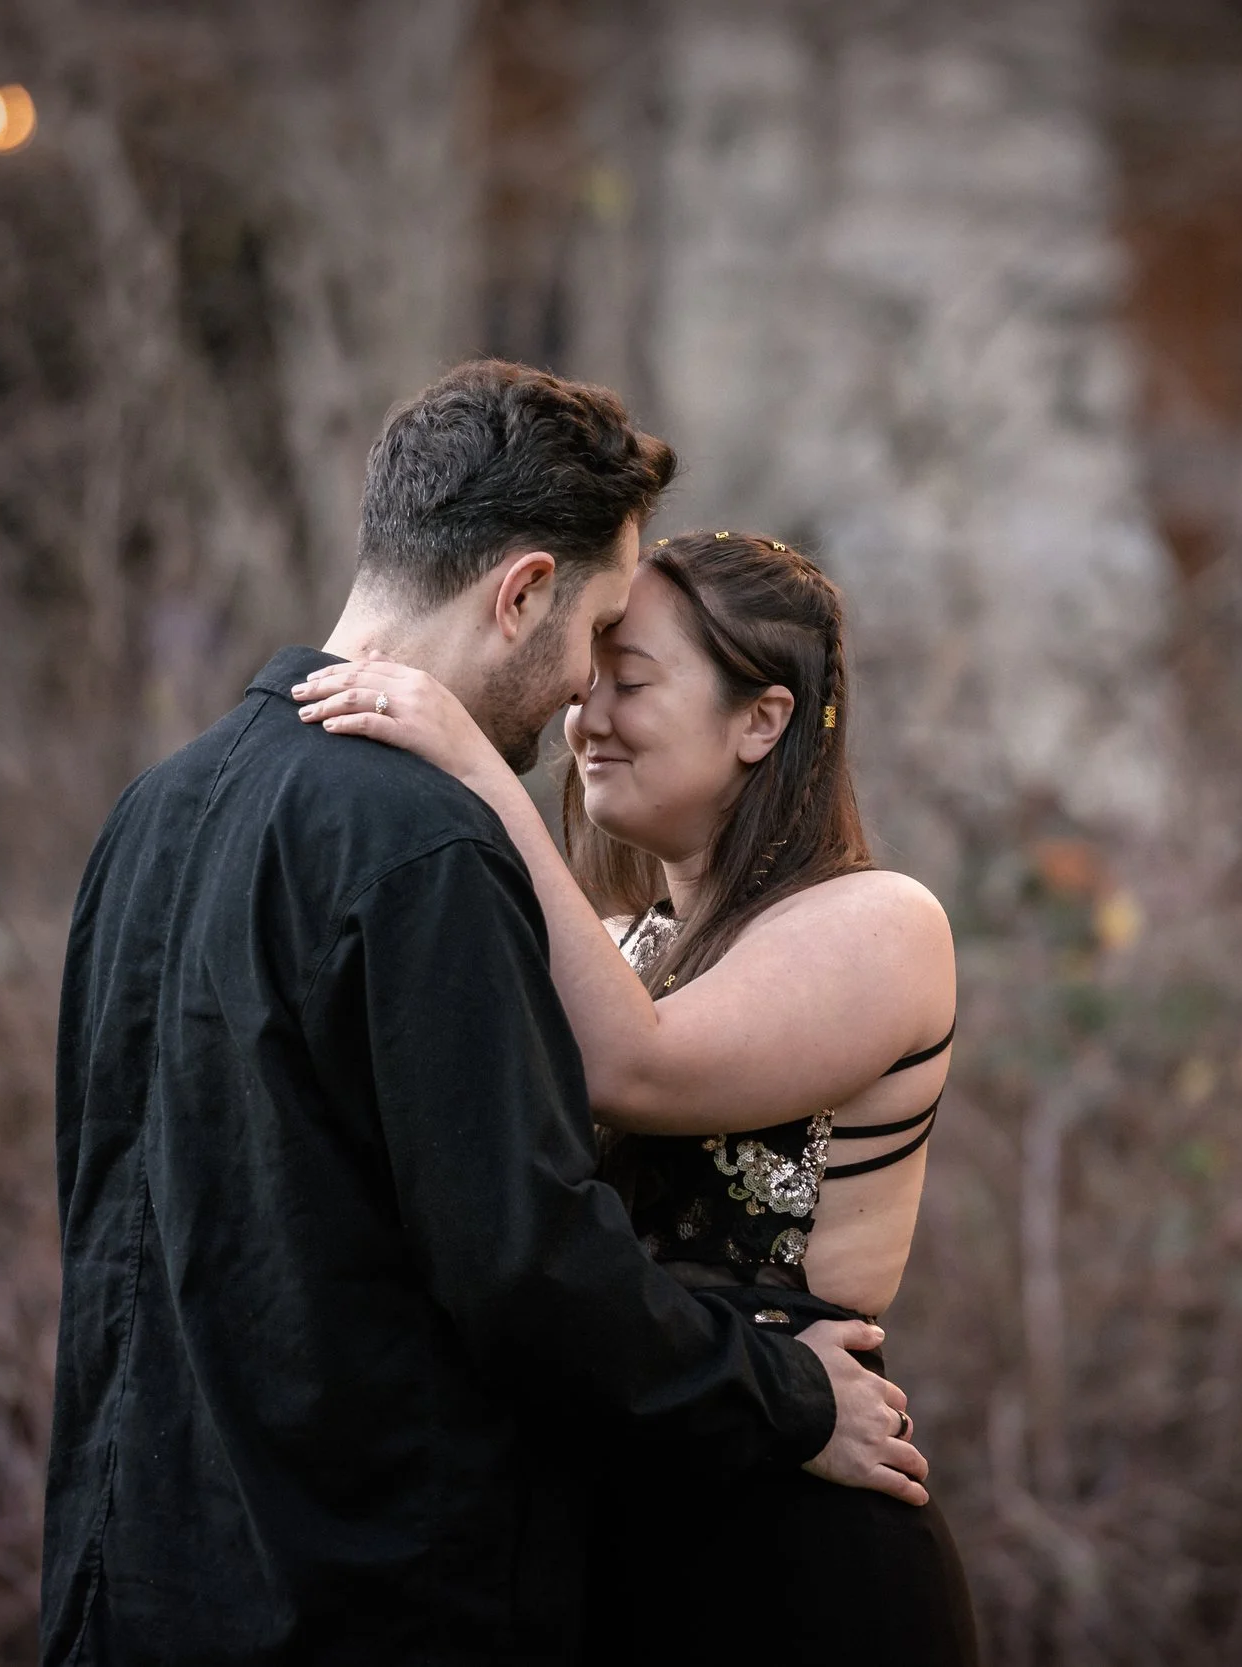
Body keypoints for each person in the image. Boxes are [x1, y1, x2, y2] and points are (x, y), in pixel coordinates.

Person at [41, 362, 928, 1667]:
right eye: (596, 633)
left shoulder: (155, 811)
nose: (583, 696)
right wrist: (790, 1392)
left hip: (134, 1574)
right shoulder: (421, 840)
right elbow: (523, 1258)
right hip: (355, 1597)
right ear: (522, 592)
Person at [294, 528, 979, 1663]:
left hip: (791, 1543)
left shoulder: (882, 924)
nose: (584, 716)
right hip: (605, 1532)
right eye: (585, 678)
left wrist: (476, 769)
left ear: (762, 719)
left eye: (631, 683)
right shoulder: (617, 943)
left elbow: (639, 1063)